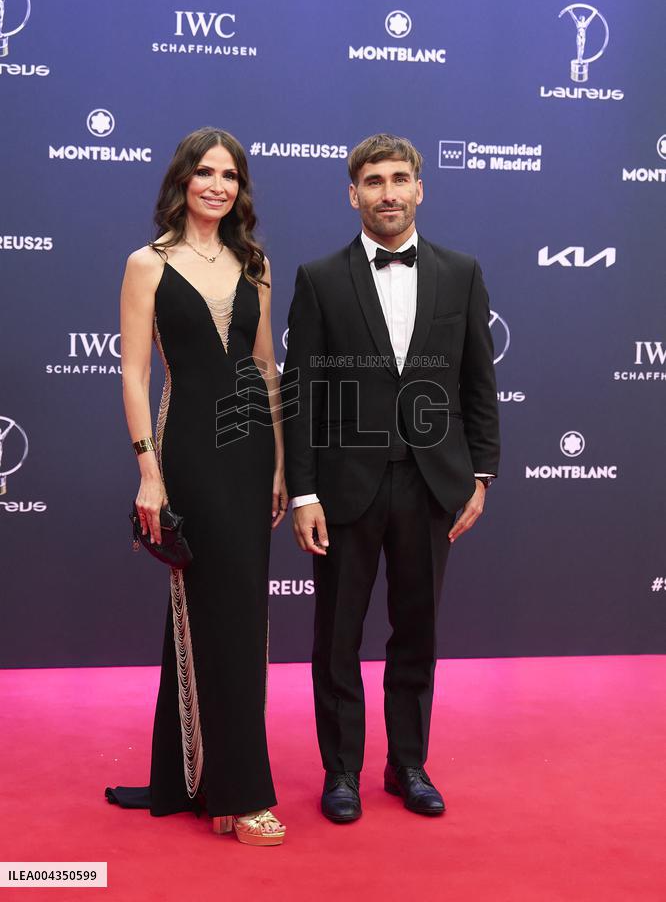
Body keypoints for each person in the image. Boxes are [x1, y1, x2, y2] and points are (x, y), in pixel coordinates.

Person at [283, 134, 500, 823]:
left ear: (420, 188)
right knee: (337, 636)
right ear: (354, 194)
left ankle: (408, 764)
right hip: (346, 487)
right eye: (373, 181)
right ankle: (340, 771)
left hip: (433, 484)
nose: (387, 192)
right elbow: (302, 391)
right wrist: (306, 490)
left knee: (419, 631)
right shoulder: (319, 277)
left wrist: (481, 475)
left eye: (399, 178)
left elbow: (478, 384)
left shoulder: (461, 272)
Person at [106, 127, 287, 846]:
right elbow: (134, 373)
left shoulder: (255, 263)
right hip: (187, 455)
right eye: (205, 172)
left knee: (239, 618)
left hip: (249, 457)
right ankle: (242, 794)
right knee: (214, 614)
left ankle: (193, 772)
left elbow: (268, 369)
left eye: (231, 175)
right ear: (182, 180)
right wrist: (149, 471)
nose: (218, 184)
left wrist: (279, 465)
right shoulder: (146, 265)